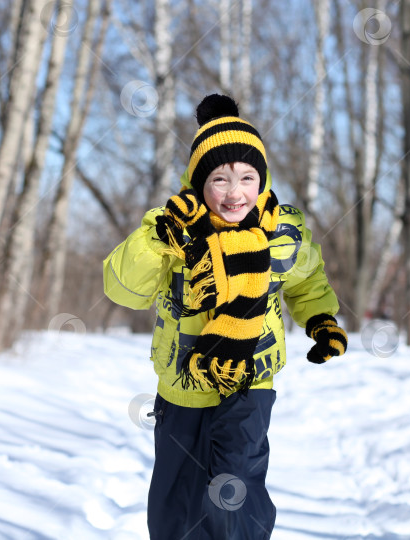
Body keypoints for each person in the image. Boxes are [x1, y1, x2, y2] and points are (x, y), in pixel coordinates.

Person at [102, 94, 348, 540]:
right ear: (199, 182)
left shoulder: (282, 230)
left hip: (250, 381)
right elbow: (124, 289)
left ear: (262, 178)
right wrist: (157, 240)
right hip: (182, 384)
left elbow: (306, 282)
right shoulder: (173, 227)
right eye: (219, 179)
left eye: (247, 177)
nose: (235, 192)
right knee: (175, 507)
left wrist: (321, 320)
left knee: (234, 492)